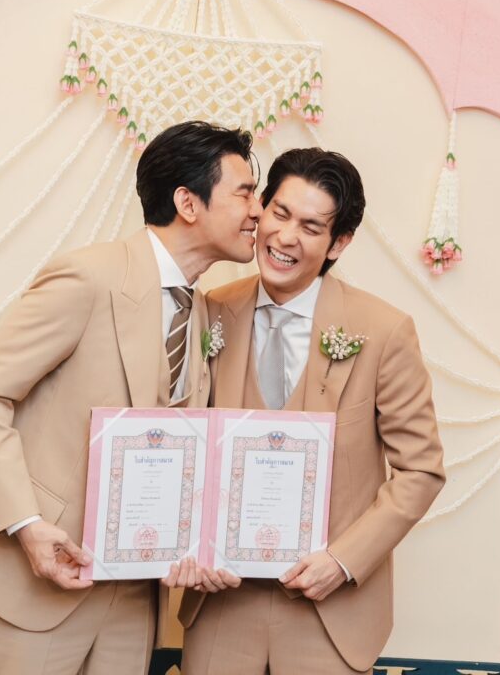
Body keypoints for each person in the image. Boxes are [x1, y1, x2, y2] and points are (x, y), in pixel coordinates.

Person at [0, 120, 261, 675]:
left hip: (135, 596)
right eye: (245, 193)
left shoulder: (202, 310)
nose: (258, 211)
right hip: (40, 580)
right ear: (188, 203)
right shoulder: (87, 277)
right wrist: (26, 526)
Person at [179, 147, 445, 675]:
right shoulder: (211, 310)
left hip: (330, 611)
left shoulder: (384, 330)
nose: (285, 238)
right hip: (222, 604)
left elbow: (421, 470)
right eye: (278, 214)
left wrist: (343, 561)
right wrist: (191, 545)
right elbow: (185, 440)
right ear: (260, 211)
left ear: (338, 242)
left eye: (310, 227)